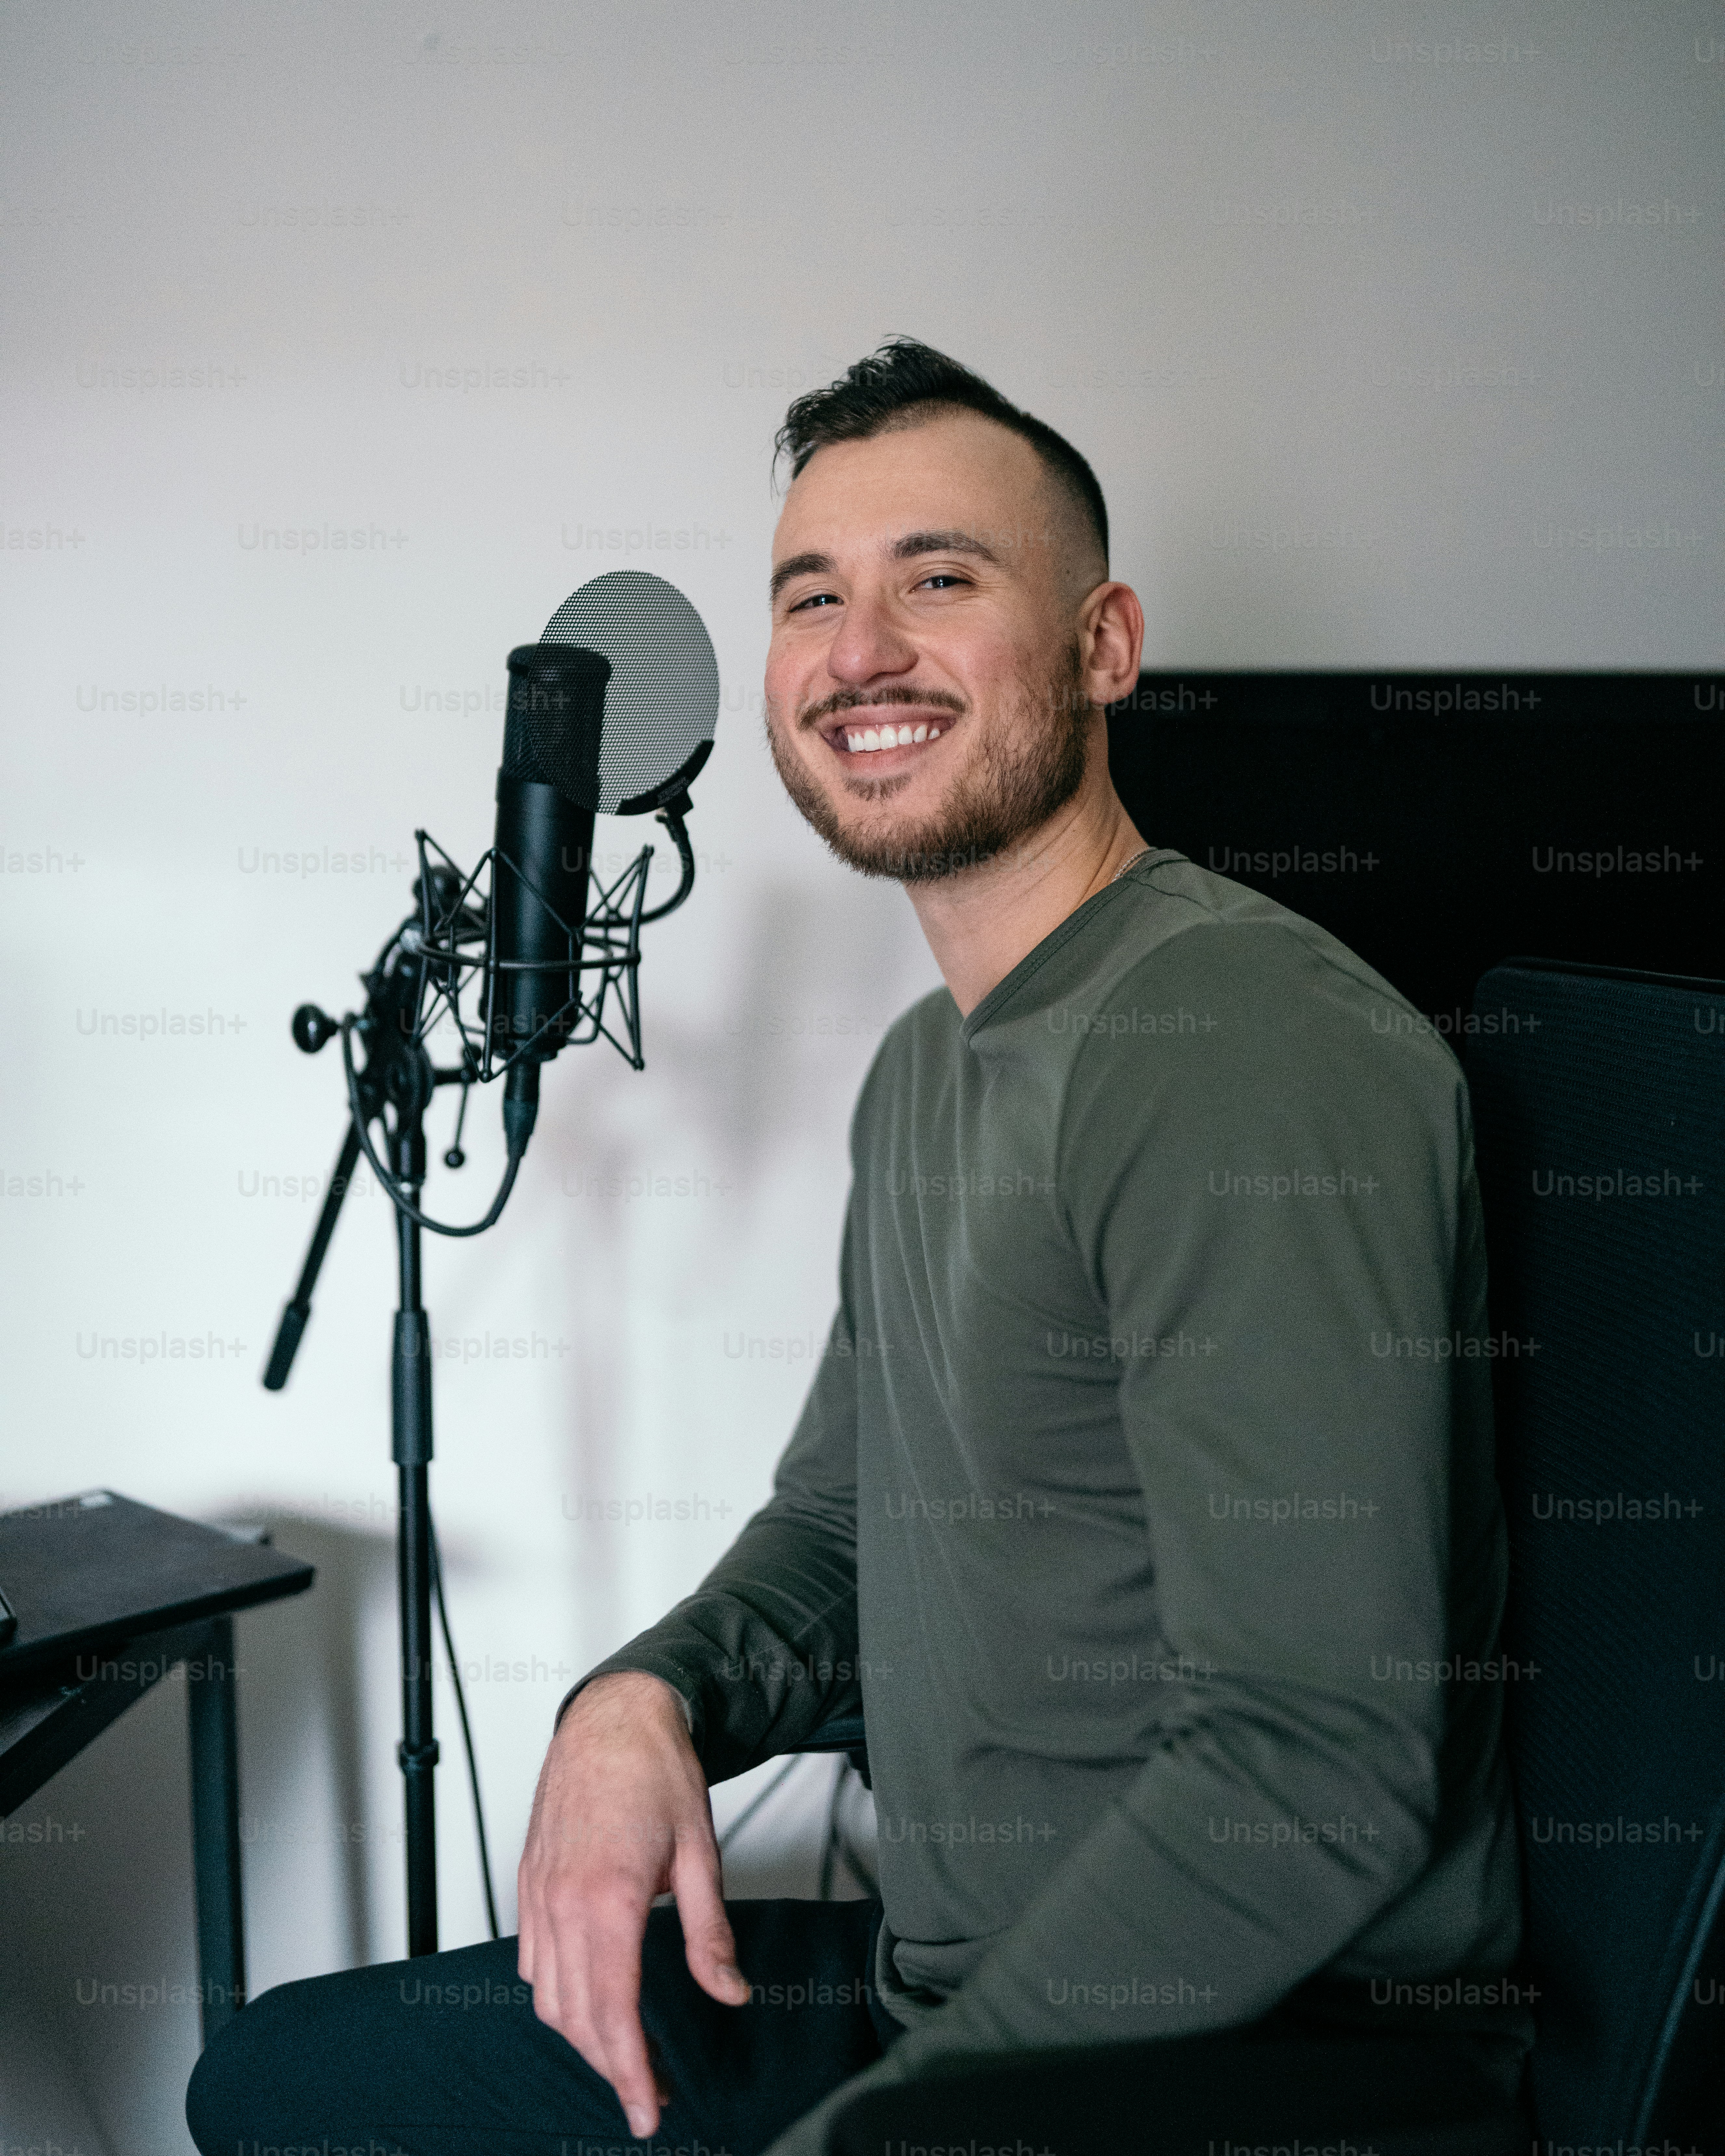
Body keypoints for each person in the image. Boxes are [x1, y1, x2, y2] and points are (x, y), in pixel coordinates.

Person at [187, 339, 1533, 2156]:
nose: (860, 650)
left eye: (940, 579)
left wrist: (890, 2128)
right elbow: (839, 1530)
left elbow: (1315, 1771)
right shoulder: (925, 1069)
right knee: (287, 2078)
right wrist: (641, 1697)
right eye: (811, 596)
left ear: (1105, 645)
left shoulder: (1234, 1043)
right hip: (950, 2002)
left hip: (1253, 2056)